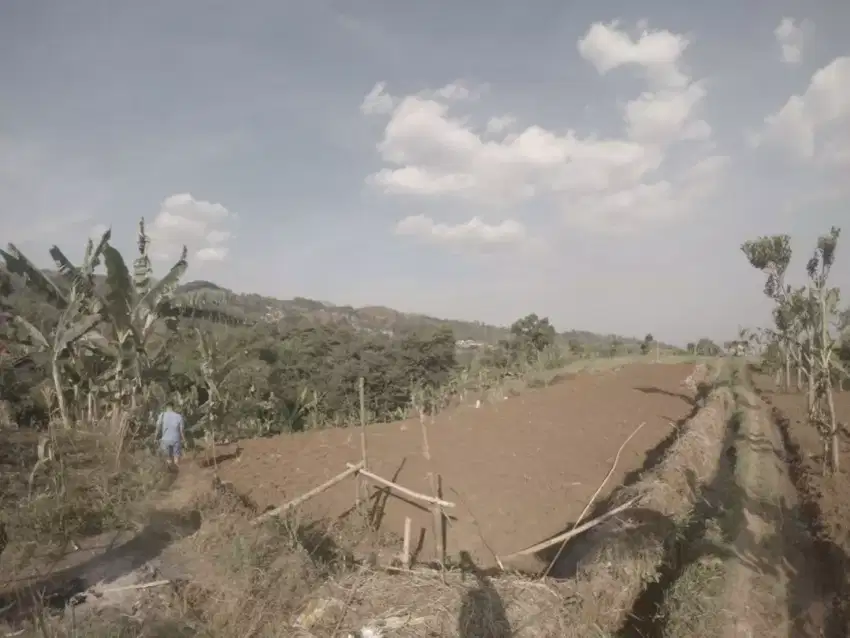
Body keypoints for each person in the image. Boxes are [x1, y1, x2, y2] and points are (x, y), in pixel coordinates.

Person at [155, 403, 186, 467]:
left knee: (168, 458)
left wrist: (155, 438)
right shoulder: (179, 416)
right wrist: (184, 439)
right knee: (176, 457)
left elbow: (157, 428)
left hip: (165, 440)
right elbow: (181, 431)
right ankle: (177, 468)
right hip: (176, 439)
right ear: (173, 408)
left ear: (166, 408)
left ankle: (169, 471)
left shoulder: (162, 415)